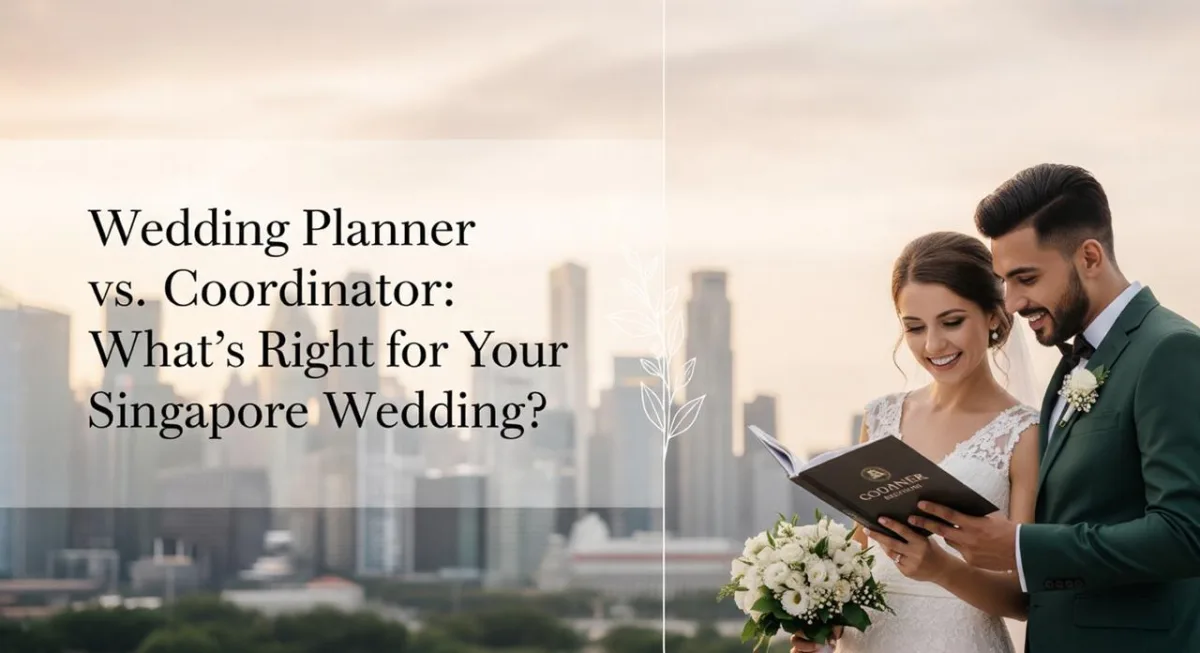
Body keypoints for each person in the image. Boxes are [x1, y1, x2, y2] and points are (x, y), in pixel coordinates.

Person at [899, 163, 1200, 652]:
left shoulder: (1169, 351)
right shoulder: (1070, 366)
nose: (1012, 303)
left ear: (1089, 257)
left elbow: (1187, 533)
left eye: (1026, 278)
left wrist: (1020, 546)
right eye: (1003, 282)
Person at [791, 231, 1041, 653]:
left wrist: (941, 568)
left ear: (995, 316)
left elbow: (1023, 598)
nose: (933, 345)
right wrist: (818, 624)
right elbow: (859, 557)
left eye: (952, 321)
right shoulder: (881, 416)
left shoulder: (1026, 434)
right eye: (914, 327)